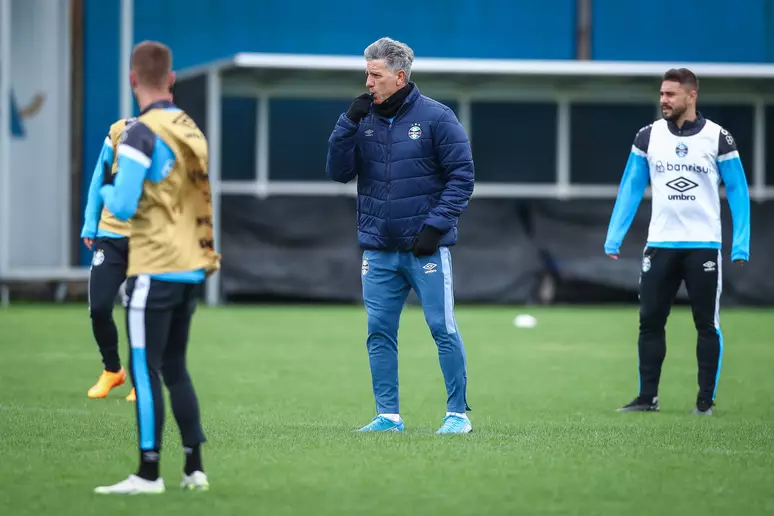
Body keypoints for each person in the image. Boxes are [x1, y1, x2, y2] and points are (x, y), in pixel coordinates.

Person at [326, 37, 475, 434]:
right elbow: (338, 172)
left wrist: (435, 227)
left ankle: (457, 415)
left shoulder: (437, 117)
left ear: (400, 77)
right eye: (367, 74)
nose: (368, 83)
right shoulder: (362, 120)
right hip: (378, 249)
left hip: (425, 249)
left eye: (375, 75)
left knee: (442, 328)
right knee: (378, 332)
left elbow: (462, 178)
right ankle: (388, 417)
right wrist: (346, 124)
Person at [94, 40, 220, 494]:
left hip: (155, 266)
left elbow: (123, 205)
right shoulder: (190, 128)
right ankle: (194, 468)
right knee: (176, 368)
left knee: (144, 370)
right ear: (171, 79)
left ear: (133, 80)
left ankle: (148, 473)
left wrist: (105, 189)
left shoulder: (140, 133)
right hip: (191, 266)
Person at [604, 68, 750, 416]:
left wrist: (740, 244)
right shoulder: (648, 136)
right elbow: (630, 186)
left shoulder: (718, 138)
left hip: (703, 246)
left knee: (707, 325)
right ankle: (647, 398)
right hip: (660, 246)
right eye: (661, 94)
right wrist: (614, 237)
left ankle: (704, 402)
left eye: (670, 94)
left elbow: (739, 191)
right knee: (650, 322)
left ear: (691, 95)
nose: (663, 100)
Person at [81, 117, 137, 402]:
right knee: (99, 306)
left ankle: (143, 380)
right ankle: (112, 370)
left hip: (146, 239)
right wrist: (90, 223)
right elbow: (98, 177)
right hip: (110, 235)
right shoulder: (118, 130)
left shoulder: (167, 131)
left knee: (138, 313)